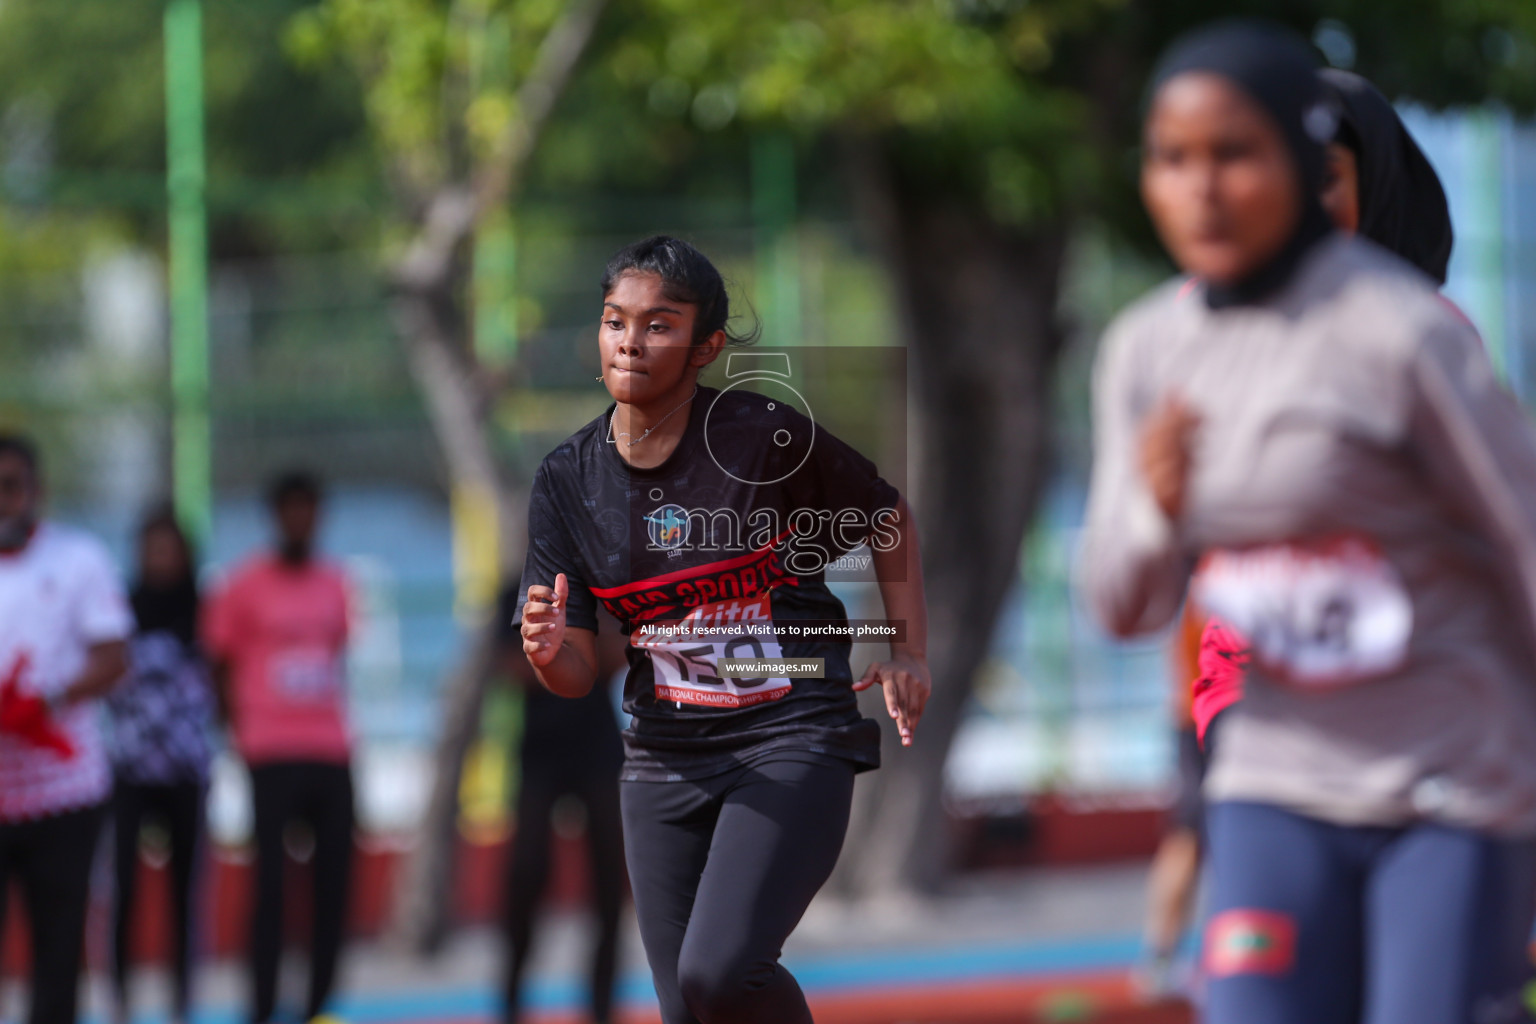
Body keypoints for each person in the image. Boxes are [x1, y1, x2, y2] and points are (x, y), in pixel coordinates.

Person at [1083, 20, 1536, 1024]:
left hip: (1449, 776)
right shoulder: (1147, 348)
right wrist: (1157, 512)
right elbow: (1121, 604)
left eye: (1235, 156)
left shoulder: (1411, 333)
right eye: (1172, 159)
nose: (1202, 189)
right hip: (1270, 769)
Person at [515, 235, 930, 1024]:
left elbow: (885, 516)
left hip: (792, 732)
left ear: (707, 345)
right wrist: (546, 650)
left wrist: (907, 648)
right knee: (689, 1011)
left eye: (659, 324)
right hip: (665, 760)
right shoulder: (567, 480)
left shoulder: (759, 439)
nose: (632, 340)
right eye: (615, 321)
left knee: (721, 975)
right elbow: (575, 671)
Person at [1135, 62, 1462, 1001]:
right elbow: (1135, 583)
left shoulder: (1431, 341)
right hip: (1255, 712)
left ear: (1375, 188)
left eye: (1325, 179)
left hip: (1418, 725)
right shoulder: (1178, 344)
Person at [205, 471, 355, 1024]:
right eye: (290, 509)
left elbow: (334, 655)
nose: (300, 520)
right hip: (269, 751)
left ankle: (318, 1008)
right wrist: (238, 732)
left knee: (333, 887)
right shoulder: (242, 586)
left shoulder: (337, 583)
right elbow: (218, 663)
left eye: (309, 509)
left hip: (331, 751)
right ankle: (263, 1009)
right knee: (270, 889)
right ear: (275, 516)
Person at [0, 433, 132, 1024]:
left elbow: (113, 655)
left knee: (59, 953)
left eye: (10, 485)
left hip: (65, 795)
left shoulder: (79, 559)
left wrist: (49, 699)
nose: (1, 500)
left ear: (36, 491)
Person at [497, 588, 626, 1024]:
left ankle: (603, 1010)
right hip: (539, 754)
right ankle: (512, 1003)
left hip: (597, 750)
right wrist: (568, 656)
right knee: (525, 876)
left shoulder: (605, 586)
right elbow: (509, 666)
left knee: (611, 885)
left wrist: (555, 653)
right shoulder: (518, 590)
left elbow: (616, 656)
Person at [108, 507, 216, 1024]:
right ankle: (119, 998)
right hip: (128, 771)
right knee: (122, 890)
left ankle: (182, 1001)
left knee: (184, 894)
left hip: (187, 770)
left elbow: (225, 679)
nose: (161, 558)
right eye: (152, 548)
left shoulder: (207, 612)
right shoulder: (117, 611)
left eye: (169, 548)